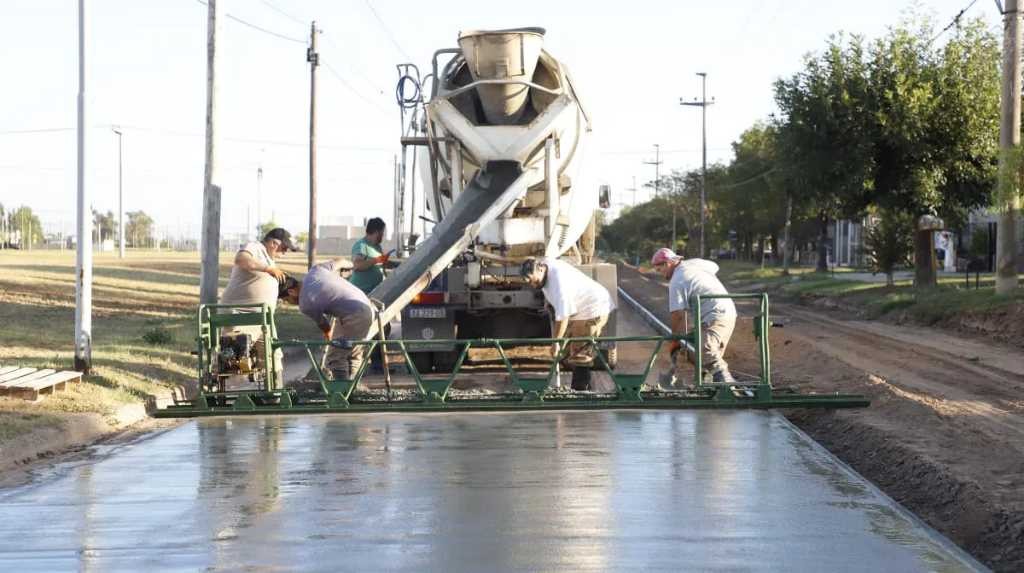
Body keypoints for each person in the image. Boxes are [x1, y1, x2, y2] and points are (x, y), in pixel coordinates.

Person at [220, 228, 300, 385]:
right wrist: (268, 269)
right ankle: (227, 368)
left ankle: (274, 394)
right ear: (273, 243)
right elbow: (241, 259)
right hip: (242, 313)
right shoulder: (256, 248)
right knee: (238, 352)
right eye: (284, 248)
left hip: (263, 318)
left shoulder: (271, 261)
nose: (284, 253)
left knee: (273, 356)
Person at [521, 257, 615, 390]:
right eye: (529, 282)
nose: (532, 285)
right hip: (577, 309)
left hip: (593, 308)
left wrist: (556, 343)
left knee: (580, 350)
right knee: (566, 351)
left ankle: (580, 390)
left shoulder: (559, 284)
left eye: (533, 280)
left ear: (541, 269)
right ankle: (583, 383)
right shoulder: (544, 264)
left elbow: (563, 318)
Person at [651, 247, 737, 384]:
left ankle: (728, 384)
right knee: (695, 345)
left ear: (667, 264)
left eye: (659, 270)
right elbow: (715, 266)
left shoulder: (677, 281)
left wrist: (675, 341)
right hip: (728, 309)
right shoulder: (694, 263)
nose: (660, 274)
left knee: (705, 350)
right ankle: (708, 382)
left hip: (715, 314)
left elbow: (678, 316)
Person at [299, 258, 375, 380]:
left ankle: (342, 390)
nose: (292, 302)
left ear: (291, 292)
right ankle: (353, 387)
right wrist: (351, 266)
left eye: (287, 300)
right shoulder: (316, 270)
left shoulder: (304, 303)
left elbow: (324, 325)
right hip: (366, 305)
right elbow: (340, 260)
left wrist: (329, 337)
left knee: (336, 356)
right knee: (353, 352)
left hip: (355, 314)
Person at [350, 217, 391, 295]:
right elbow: (357, 265)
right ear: (376, 232)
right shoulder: (361, 245)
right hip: (360, 293)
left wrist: (385, 262)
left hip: (374, 292)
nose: (383, 236)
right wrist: (376, 260)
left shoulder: (377, 247)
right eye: (382, 233)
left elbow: (379, 265)